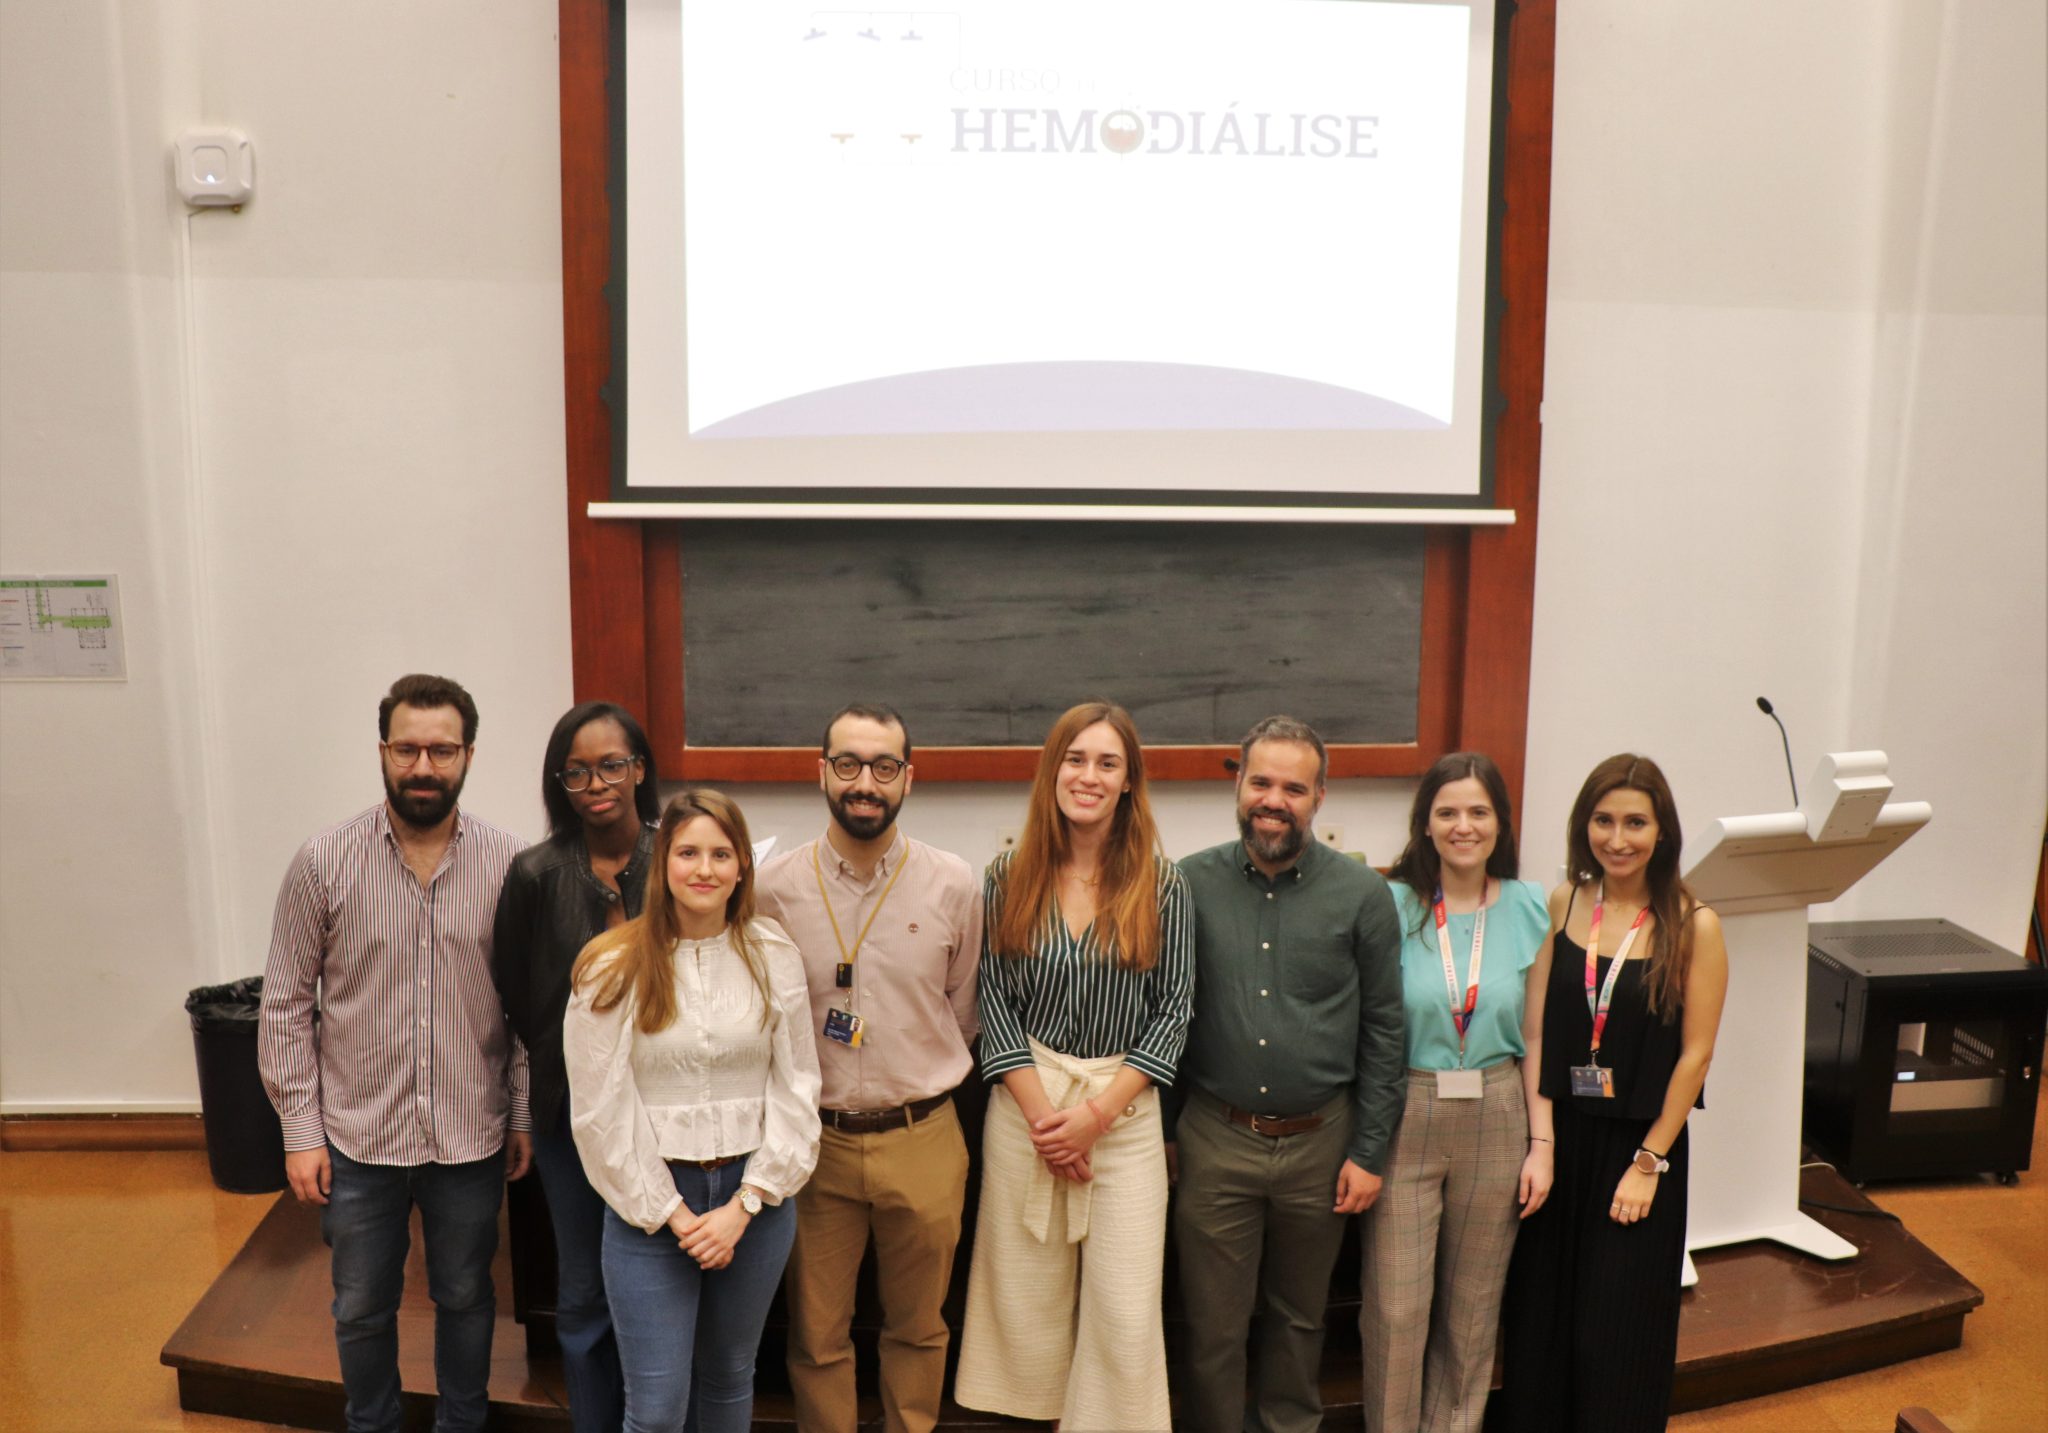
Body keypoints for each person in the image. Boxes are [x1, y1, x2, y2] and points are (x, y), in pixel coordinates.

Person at [259, 672, 532, 1433]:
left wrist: (520, 1112)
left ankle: (462, 1424)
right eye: (407, 748)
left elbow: (526, 1008)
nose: (423, 766)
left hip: (469, 1134)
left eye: (442, 750)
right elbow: (284, 1002)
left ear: (468, 755)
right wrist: (301, 1132)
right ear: (382, 751)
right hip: (358, 1139)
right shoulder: (323, 861)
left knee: (467, 1297)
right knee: (360, 1307)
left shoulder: (510, 864)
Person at [954, 701, 1195, 1430]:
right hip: (1026, 1116)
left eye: (1107, 763)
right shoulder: (1007, 875)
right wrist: (1047, 1124)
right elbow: (995, 1005)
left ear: (1129, 781)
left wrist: (1092, 1118)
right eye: (1076, 759)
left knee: (1125, 1312)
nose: (1089, 776)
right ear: (1052, 771)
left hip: (1121, 1118)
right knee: (1025, 1309)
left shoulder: (1163, 882)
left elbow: (1174, 1011)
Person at [1171, 715, 1406, 1433]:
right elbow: (1164, 1014)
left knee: (1300, 1320)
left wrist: (1369, 1151)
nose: (1274, 800)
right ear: (1238, 785)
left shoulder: (1362, 894)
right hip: (1215, 1138)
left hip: (1322, 1145)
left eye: (1294, 788)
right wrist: (1166, 1134)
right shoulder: (1186, 884)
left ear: (1320, 797)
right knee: (1211, 1328)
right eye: (1261, 782)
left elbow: (1385, 1029)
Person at [563, 788, 821, 1433]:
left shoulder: (773, 955)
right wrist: (676, 1215)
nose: (704, 869)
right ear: (663, 863)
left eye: (720, 854)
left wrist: (745, 1205)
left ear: (742, 867)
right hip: (649, 1209)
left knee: (730, 1380)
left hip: (754, 1203)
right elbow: (600, 1112)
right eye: (687, 853)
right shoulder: (611, 966)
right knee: (654, 1410)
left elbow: (797, 1088)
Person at [754, 704, 982, 1433]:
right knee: (816, 1334)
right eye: (848, 764)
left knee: (919, 1325)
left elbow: (963, 1011)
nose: (865, 783)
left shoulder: (953, 883)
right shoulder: (771, 889)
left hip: (923, 1136)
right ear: (821, 771)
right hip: (812, 1144)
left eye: (884, 767)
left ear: (908, 778)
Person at [1494, 754, 1730, 1432]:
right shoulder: (1563, 902)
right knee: (1541, 1323)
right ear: (1584, 825)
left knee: (1616, 1334)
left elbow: (1696, 1055)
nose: (1617, 838)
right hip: (1560, 1139)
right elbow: (1536, 1030)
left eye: (1635, 823)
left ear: (1663, 831)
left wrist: (1650, 1161)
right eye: (1603, 820)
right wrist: (1541, 1142)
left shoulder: (1695, 923)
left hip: (1639, 1150)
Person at [1358, 752, 1552, 1433]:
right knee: (1396, 1308)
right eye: (1447, 812)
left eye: (1478, 811)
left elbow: (1536, 1034)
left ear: (1500, 822)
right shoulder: (1389, 904)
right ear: (1426, 823)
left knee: (1472, 1310)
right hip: (1406, 1108)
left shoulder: (1532, 906)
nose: (1463, 825)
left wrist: (1542, 1142)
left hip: (1498, 1112)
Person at [492, 701, 662, 1432]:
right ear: (559, 782)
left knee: (661, 1287)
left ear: (639, 770)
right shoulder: (535, 873)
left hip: (668, 1114)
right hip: (570, 1116)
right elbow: (516, 990)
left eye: (611, 765)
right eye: (577, 771)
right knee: (586, 1292)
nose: (596, 784)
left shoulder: (680, 856)